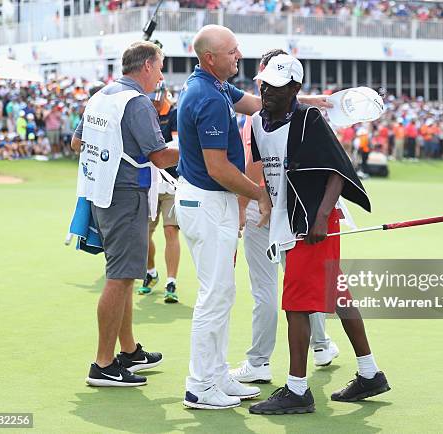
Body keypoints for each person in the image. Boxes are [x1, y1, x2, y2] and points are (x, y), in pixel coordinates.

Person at [175, 25, 331, 410]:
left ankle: (215, 376)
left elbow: (256, 102)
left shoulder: (213, 85)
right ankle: (200, 385)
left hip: (214, 203)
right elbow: (218, 167)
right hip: (209, 202)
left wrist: (309, 99)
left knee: (223, 293)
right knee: (214, 296)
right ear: (210, 58)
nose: (238, 56)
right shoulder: (208, 97)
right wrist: (260, 193)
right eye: (232, 51)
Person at [247, 53, 390, 416]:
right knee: (337, 294)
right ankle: (370, 373)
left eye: (278, 88)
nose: (268, 92)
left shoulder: (308, 118)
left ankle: (297, 390)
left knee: (296, 303)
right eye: (265, 85)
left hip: (312, 225)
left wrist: (322, 217)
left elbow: (338, 169)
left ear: (295, 89)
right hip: (288, 220)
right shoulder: (257, 121)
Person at [71, 41, 179, 387]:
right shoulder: (136, 103)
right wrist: (194, 146)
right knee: (119, 278)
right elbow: (160, 156)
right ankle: (103, 364)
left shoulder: (101, 95)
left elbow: (77, 143)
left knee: (125, 275)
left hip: (102, 193)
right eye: (160, 67)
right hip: (125, 196)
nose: (161, 75)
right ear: (146, 66)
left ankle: (129, 350)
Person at [230, 49, 339, 386]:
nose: (262, 88)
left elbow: (254, 166)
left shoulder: (267, 116)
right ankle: (321, 346)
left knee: (272, 288)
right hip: (289, 207)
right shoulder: (297, 111)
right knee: (304, 283)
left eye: (266, 80)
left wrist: (241, 208)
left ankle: (260, 362)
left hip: (271, 206)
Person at [137, 81, 181, 303]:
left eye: (156, 97)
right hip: (151, 182)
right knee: (144, 234)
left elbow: (176, 147)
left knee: (171, 231)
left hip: (172, 181)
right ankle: (151, 272)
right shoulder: (144, 113)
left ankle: (171, 281)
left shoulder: (174, 114)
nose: (153, 101)